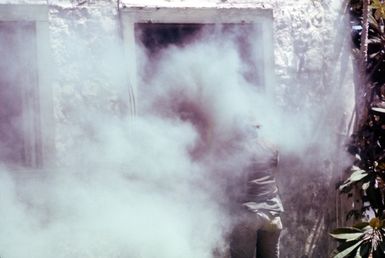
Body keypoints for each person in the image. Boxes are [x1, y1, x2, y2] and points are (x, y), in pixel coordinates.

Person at [228, 124, 284, 258]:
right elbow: (275, 170)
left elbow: (229, 178)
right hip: (272, 215)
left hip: (248, 215)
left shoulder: (238, 148)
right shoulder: (271, 146)